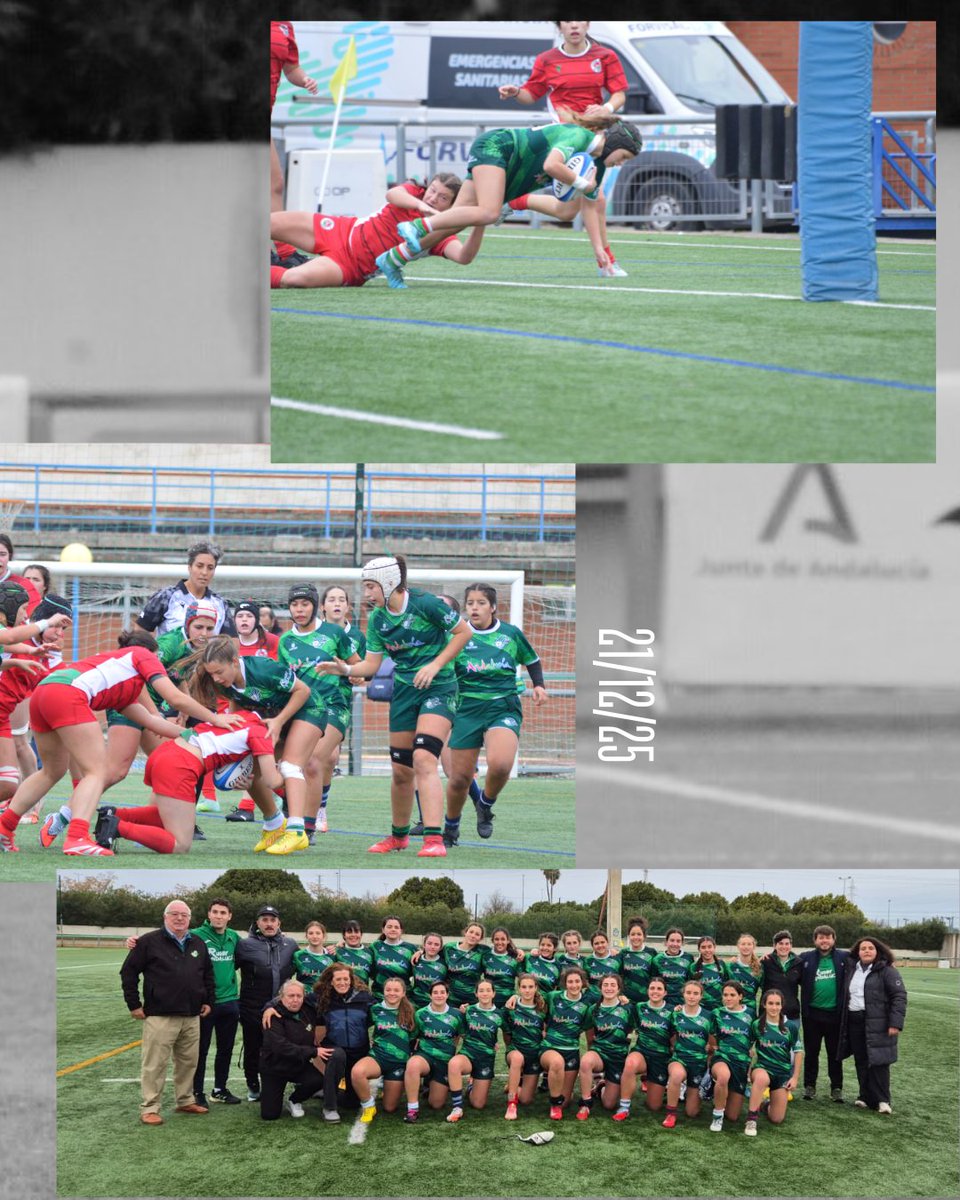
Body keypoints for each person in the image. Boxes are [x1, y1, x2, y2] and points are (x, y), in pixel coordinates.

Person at [1, 630, 240, 856]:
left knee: (51, 772)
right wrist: (215, 718)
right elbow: (175, 698)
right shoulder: (143, 655)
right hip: (67, 694)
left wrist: (192, 735)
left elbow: (151, 721)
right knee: (96, 771)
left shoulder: (124, 683)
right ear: (153, 652)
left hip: (44, 692)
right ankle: (77, 837)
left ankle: (4, 828)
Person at [316, 555, 472, 857]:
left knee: (424, 758)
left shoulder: (426, 604)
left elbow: (464, 632)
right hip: (404, 692)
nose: (367, 594)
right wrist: (346, 670)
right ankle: (398, 837)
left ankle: (434, 839)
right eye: (365, 586)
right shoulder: (378, 620)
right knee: (401, 770)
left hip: (438, 688)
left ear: (389, 583)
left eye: (371, 586)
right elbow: (371, 665)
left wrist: (436, 665)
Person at [379, 113, 643, 288]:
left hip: (513, 171)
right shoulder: (579, 136)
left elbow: (591, 205)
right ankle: (417, 227)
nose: (621, 163)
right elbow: (552, 165)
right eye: (624, 156)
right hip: (498, 147)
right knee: (488, 212)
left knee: (566, 211)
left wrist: (600, 252)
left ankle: (392, 260)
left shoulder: (598, 163)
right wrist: (583, 183)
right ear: (615, 142)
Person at [497, 20, 630, 275]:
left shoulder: (605, 56)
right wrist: (515, 92)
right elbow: (530, 94)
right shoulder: (547, 60)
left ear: (587, 24)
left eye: (579, 19)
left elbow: (619, 95)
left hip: (596, 138)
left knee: (568, 210)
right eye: (568, 20)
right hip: (567, 138)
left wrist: (607, 108)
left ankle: (516, 201)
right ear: (560, 27)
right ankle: (607, 263)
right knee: (596, 198)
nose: (574, 25)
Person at [186, 635, 313, 854]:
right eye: (211, 674)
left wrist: (280, 721)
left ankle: (296, 831)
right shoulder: (225, 683)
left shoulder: (263, 668)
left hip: (307, 711)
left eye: (219, 672)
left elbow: (304, 691)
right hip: (271, 719)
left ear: (234, 662)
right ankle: (274, 825)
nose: (215, 679)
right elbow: (239, 702)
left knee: (290, 766)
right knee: (250, 775)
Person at [93, 709, 284, 855]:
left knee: (169, 818)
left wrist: (249, 781)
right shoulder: (261, 732)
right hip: (180, 764)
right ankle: (117, 826)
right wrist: (289, 772)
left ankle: (113, 814)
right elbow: (272, 781)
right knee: (180, 844)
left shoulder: (243, 716)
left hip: (168, 751)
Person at [443, 583, 546, 843]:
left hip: (503, 706)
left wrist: (539, 686)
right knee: (459, 779)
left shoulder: (510, 634)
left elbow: (531, 659)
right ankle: (451, 826)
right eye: (470, 603)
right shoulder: (457, 635)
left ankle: (485, 805)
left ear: (493, 607)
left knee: (500, 765)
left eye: (480, 603)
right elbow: (441, 666)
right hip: (467, 709)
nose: (474, 608)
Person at [271, 175, 485, 292]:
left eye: (442, 198)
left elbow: (464, 257)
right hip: (341, 230)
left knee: (294, 279)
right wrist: (423, 208)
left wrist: (480, 220)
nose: (433, 198)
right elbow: (392, 194)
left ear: (452, 207)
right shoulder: (414, 193)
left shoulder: (440, 234)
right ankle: (283, 256)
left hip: (350, 266)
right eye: (433, 190)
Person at [119, 900, 214, 1125]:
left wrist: (209, 1000)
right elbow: (128, 973)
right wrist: (134, 1004)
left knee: (188, 1062)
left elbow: (207, 974)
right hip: (160, 1015)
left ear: (190, 919)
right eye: (174, 914)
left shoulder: (198, 943)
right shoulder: (148, 942)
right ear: (165, 917)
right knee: (155, 1063)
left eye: (184, 915)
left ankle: (185, 1100)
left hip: (191, 1015)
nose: (179, 918)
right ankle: (150, 1107)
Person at [278, 583, 358, 844]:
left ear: (315, 606)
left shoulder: (335, 633)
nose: (299, 610)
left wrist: (345, 670)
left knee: (313, 762)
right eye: (294, 605)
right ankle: (291, 809)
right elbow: (282, 680)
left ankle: (306, 829)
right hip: (300, 709)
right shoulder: (285, 641)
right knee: (285, 764)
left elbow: (360, 668)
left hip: (333, 706)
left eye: (305, 604)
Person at [0, 594, 69, 812]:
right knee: (21, 744)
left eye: (63, 629)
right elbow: (10, 639)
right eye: (22, 610)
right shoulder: (19, 631)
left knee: (9, 783)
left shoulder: (48, 646)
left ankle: (30, 804)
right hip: (6, 706)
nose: (24, 615)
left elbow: (59, 675)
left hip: (5, 712)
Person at [306, 585, 365, 835]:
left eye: (342, 599)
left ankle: (319, 808)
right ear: (323, 607)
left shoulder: (358, 638)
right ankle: (296, 807)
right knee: (304, 758)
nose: (337, 603)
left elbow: (363, 669)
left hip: (337, 702)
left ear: (348, 606)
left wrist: (356, 676)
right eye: (331, 599)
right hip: (308, 701)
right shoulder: (309, 633)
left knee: (327, 758)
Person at [838, 935, 907, 1115]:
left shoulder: (887, 970)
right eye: (863, 948)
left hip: (878, 1022)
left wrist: (895, 1023)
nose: (866, 951)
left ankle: (883, 1100)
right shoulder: (852, 968)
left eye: (870, 948)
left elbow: (899, 996)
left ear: (878, 951)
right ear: (858, 952)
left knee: (879, 1061)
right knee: (861, 1060)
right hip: (855, 1021)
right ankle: (865, 1096)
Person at [235, 905, 298, 1102]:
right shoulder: (244, 945)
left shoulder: (291, 944)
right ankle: (253, 1085)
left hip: (281, 1009)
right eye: (265, 920)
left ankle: (282, 1084)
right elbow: (225, 968)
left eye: (273, 920)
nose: (269, 924)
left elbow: (309, 962)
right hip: (252, 1008)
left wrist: (332, 949)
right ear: (258, 923)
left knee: (282, 1047)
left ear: (279, 923)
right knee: (253, 1048)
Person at [270, 21, 318, 268]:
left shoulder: (284, 25)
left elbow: (292, 69)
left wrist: (305, 80)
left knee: (274, 184)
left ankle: (284, 253)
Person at [190, 898, 242, 1107]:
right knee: (200, 1050)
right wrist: (134, 940)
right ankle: (196, 1092)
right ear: (209, 914)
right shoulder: (196, 935)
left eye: (223, 913)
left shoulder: (234, 937)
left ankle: (219, 1089)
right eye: (215, 912)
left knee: (225, 1049)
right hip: (205, 1004)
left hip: (230, 1002)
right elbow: (167, 938)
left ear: (229, 916)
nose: (219, 916)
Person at [309, 963, 377, 1121]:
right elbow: (292, 999)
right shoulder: (321, 997)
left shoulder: (364, 997)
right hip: (334, 1047)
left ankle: (329, 1089)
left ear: (351, 980)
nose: (342, 982)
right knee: (337, 1055)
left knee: (352, 1103)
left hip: (358, 1051)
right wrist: (270, 1007)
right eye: (338, 979)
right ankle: (329, 1107)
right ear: (331, 981)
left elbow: (379, 1014)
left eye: (346, 979)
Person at [258, 978, 326, 1120]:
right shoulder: (272, 1015)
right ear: (281, 997)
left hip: (298, 1064)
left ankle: (294, 1100)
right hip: (274, 1067)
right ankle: (274, 1093)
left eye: (299, 996)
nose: (295, 1000)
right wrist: (314, 1052)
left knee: (318, 1080)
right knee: (269, 1115)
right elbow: (281, 1048)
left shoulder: (308, 1009)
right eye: (290, 996)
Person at [352, 976, 416, 1123]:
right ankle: (368, 1106)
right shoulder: (375, 1009)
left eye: (396, 990)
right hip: (378, 1058)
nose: (391, 993)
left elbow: (414, 1036)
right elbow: (361, 1028)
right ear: (383, 991)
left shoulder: (411, 1011)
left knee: (389, 1108)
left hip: (399, 1064)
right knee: (357, 1072)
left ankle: (389, 1084)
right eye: (388, 989)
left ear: (403, 993)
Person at [532, 965, 593, 1120]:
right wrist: (514, 997)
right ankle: (554, 1104)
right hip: (550, 1048)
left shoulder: (587, 1002)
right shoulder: (553, 996)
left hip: (572, 1051)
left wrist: (621, 998)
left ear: (582, 983)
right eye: (570, 982)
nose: (574, 985)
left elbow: (586, 1027)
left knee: (566, 1101)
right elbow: (532, 997)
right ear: (565, 983)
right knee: (557, 1062)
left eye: (577, 981)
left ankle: (562, 1094)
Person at [136, 541, 235, 636]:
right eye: (199, 566)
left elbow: (232, 642)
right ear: (190, 567)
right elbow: (139, 632)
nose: (204, 572)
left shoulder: (220, 603)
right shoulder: (166, 597)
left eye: (210, 568)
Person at [799, 924, 849, 1102]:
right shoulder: (805, 958)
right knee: (811, 1052)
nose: (825, 940)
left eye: (828, 937)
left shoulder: (845, 957)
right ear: (815, 940)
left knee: (835, 1053)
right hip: (812, 1015)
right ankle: (809, 1086)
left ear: (834, 940)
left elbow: (867, 957)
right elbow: (786, 965)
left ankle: (836, 1088)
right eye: (821, 937)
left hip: (835, 1015)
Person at [403, 979, 465, 1123]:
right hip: (425, 1056)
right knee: (412, 1065)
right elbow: (412, 1036)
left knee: (436, 1104)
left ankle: (430, 1082)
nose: (439, 995)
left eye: (442, 992)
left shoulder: (456, 1015)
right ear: (430, 995)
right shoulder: (420, 1014)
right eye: (435, 992)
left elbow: (463, 1035)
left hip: (444, 1061)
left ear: (447, 995)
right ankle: (412, 1109)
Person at [745, 989, 803, 1136]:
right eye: (770, 1003)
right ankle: (751, 1119)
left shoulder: (790, 1026)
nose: (774, 1007)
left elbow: (798, 1052)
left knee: (777, 1119)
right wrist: (748, 1070)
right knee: (762, 1078)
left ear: (782, 1006)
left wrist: (794, 1077)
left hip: (782, 1073)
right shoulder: (757, 1025)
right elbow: (747, 1048)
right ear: (764, 1004)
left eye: (777, 1004)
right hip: (762, 1069)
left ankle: (765, 1105)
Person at [446, 978, 504, 1121]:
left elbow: (508, 1034)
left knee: (478, 1104)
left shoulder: (500, 1014)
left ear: (494, 993)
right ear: (476, 993)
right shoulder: (468, 1010)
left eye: (488, 990)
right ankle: (457, 1107)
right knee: (454, 1063)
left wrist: (494, 1041)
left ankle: (471, 1087)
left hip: (486, 1058)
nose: (485, 993)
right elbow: (460, 1031)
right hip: (468, 1053)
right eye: (481, 990)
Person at [577, 973, 634, 1119]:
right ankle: (585, 1103)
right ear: (600, 988)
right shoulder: (593, 1010)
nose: (609, 988)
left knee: (609, 1105)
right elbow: (590, 1037)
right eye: (605, 985)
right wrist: (591, 1063)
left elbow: (632, 1030)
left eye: (613, 985)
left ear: (619, 988)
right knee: (586, 1061)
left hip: (618, 1057)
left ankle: (601, 1086)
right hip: (599, 1052)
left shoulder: (628, 1008)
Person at [662, 978, 716, 1129]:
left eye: (695, 993)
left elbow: (712, 1043)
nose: (691, 996)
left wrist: (710, 1051)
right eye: (688, 993)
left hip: (698, 1064)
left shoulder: (708, 1016)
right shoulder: (676, 1014)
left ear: (701, 996)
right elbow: (671, 1037)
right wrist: (675, 1047)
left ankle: (687, 1091)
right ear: (683, 994)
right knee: (677, 1075)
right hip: (679, 1059)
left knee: (692, 1112)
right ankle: (671, 1113)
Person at [618, 975, 672, 1120]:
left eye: (659, 989)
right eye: (652, 988)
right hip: (642, 1051)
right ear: (647, 991)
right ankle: (624, 1107)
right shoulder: (639, 1007)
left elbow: (676, 1037)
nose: (655, 991)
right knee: (630, 1064)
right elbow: (628, 1027)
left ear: (665, 993)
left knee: (654, 1106)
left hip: (661, 1057)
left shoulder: (673, 1012)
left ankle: (658, 1084)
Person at [708, 980, 755, 1132]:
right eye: (725, 995)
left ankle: (719, 1092)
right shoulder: (717, 1013)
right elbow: (712, 1034)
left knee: (733, 1116)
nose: (728, 998)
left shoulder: (750, 1013)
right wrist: (714, 1048)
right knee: (723, 1075)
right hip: (722, 1057)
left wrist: (750, 1050)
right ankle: (717, 1116)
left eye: (732, 995)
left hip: (741, 1062)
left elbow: (756, 1035)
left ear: (740, 996)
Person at [502, 973, 547, 1119]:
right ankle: (511, 1104)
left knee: (526, 1100)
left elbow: (545, 1030)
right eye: (523, 987)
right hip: (515, 1051)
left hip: (534, 1056)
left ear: (536, 988)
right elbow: (507, 1034)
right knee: (517, 1058)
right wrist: (510, 1049)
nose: (527, 990)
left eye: (530, 987)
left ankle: (513, 1085)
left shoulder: (543, 1008)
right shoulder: (511, 1007)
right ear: (518, 989)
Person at [370, 915, 418, 998]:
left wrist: (421, 952)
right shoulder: (375, 946)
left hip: (404, 997)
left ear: (401, 930)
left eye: (396, 927)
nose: (393, 929)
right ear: (383, 930)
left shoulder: (411, 949)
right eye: (389, 927)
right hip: (379, 996)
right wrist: (341, 945)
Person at [760, 930, 803, 1022]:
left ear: (791, 946)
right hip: (768, 1014)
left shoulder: (799, 963)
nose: (784, 946)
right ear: (774, 945)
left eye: (787, 944)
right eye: (780, 943)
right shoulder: (765, 962)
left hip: (791, 1015)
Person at [650, 928, 693, 1009]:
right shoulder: (657, 959)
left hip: (682, 1002)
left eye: (678, 941)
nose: (675, 944)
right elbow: (653, 981)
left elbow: (690, 981)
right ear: (666, 942)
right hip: (663, 1002)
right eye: (672, 940)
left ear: (682, 943)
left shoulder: (688, 958)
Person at [619, 916, 658, 1005]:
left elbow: (655, 977)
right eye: (633, 934)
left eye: (639, 934)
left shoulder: (651, 953)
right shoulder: (623, 953)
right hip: (626, 1000)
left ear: (644, 936)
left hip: (647, 1000)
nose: (636, 937)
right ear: (629, 936)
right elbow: (619, 976)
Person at [482, 926, 525, 1006]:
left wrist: (517, 996)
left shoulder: (515, 957)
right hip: (488, 1002)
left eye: (503, 939)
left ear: (508, 940)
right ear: (492, 941)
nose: (500, 942)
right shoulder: (485, 956)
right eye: (497, 939)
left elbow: (524, 980)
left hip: (509, 1002)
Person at [688, 935, 730, 1012]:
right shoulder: (693, 967)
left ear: (714, 947)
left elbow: (727, 984)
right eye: (703, 947)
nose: (707, 950)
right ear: (699, 949)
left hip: (719, 1007)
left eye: (709, 947)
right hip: (701, 1008)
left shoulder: (722, 964)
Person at [726, 932, 764, 1013]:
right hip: (731, 1008)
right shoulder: (730, 965)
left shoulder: (760, 967)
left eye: (749, 944)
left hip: (750, 1009)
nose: (746, 947)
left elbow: (765, 989)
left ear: (754, 946)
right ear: (738, 946)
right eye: (743, 944)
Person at [293, 921, 336, 989]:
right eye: (311, 933)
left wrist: (340, 945)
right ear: (306, 936)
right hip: (305, 998)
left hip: (327, 997)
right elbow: (287, 976)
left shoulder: (332, 955)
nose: (314, 936)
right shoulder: (298, 955)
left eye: (318, 933)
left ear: (323, 935)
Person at [582, 929, 622, 1003]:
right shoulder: (587, 960)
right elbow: (585, 981)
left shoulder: (617, 957)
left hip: (612, 999)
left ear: (607, 943)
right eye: (596, 943)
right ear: (592, 946)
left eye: (602, 942)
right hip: (592, 1000)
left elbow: (622, 978)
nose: (600, 945)